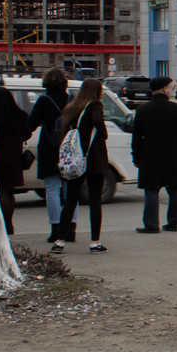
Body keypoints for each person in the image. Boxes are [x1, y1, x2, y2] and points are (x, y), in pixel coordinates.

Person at [54, 77, 109, 254]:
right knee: (94, 200)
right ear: (97, 91)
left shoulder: (73, 107)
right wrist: (103, 133)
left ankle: (59, 241)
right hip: (92, 158)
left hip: (75, 159)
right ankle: (95, 242)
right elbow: (98, 122)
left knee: (70, 201)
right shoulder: (95, 105)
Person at [131, 75, 177, 234]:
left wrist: (136, 157)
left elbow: (137, 137)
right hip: (172, 155)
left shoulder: (142, 110)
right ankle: (174, 222)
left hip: (149, 156)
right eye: (170, 87)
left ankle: (151, 224)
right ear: (164, 89)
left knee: (151, 190)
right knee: (175, 189)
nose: (172, 90)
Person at [25, 69, 72, 245]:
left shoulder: (44, 101)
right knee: (69, 189)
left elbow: (31, 124)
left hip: (49, 147)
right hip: (69, 148)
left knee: (52, 189)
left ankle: (56, 228)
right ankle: (71, 227)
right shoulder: (71, 100)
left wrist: (23, 136)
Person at [0, 82, 29, 235]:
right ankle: (9, 223)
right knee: (10, 192)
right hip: (15, 157)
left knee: (1, 191)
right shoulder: (20, 115)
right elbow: (27, 133)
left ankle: (5, 225)